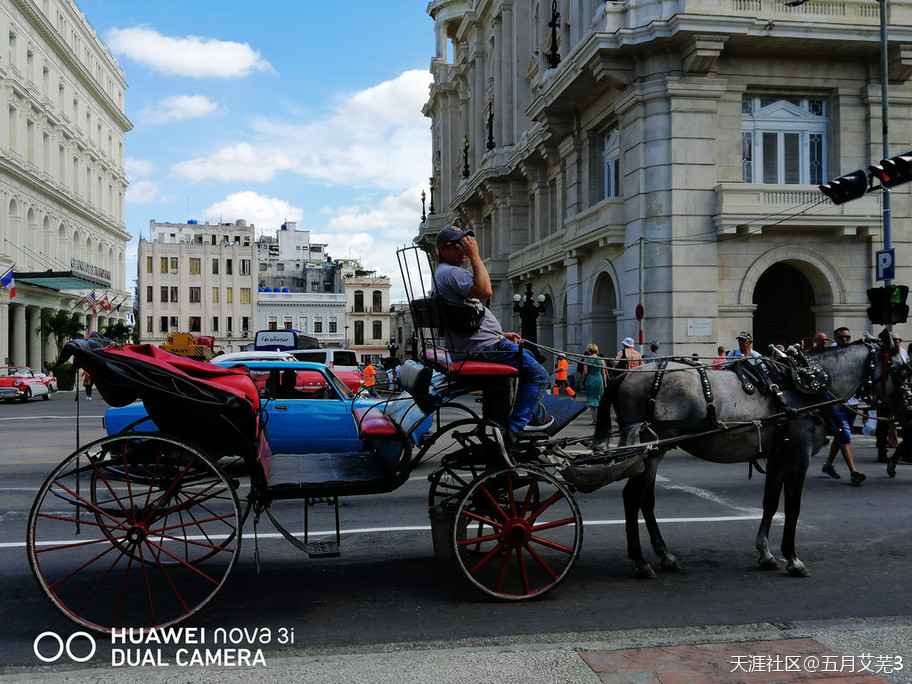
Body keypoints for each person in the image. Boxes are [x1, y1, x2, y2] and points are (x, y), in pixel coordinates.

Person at [434, 225, 552, 443]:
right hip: (483, 349)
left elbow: (464, 315)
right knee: (539, 375)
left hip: (478, 345)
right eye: (458, 246)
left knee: (531, 361)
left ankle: (521, 414)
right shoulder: (452, 273)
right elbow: (485, 290)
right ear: (443, 249)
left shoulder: (442, 274)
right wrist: (475, 256)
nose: (463, 250)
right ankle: (516, 427)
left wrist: (499, 333)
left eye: (465, 245)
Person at [821, 327, 866, 485]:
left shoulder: (852, 354)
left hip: (852, 403)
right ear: (835, 338)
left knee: (840, 438)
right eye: (842, 337)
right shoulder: (829, 355)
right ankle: (854, 472)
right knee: (844, 437)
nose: (845, 340)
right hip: (837, 404)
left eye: (848, 337)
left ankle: (828, 466)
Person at [581, 343, 608, 425]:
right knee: (599, 399)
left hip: (590, 380)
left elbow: (585, 372)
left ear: (589, 350)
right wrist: (605, 383)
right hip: (599, 380)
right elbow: (604, 373)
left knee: (591, 401)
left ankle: (595, 420)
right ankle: (601, 419)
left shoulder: (587, 359)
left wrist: (582, 381)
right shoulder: (601, 360)